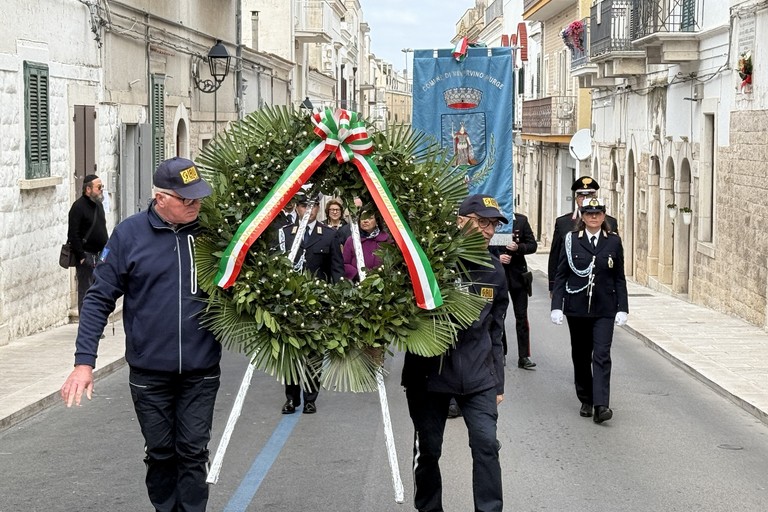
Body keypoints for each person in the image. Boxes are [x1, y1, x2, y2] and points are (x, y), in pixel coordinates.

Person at [60, 157, 221, 512]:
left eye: (198, 198)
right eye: (186, 200)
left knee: (194, 451)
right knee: (161, 453)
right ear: (161, 198)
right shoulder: (130, 235)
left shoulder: (213, 235)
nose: (195, 205)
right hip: (150, 373)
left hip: (201, 369)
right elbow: (99, 298)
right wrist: (84, 362)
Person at [402, 193, 508, 512]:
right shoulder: (433, 261)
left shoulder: (495, 270)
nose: (489, 231)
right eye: (482, 223)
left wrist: (498, 383)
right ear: (461, 221)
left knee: (487, 445)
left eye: (493, 225)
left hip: (478, 378)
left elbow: (496, 329)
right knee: (429, 450)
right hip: (429, 377)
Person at [550, 197, 629, 424]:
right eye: (589, 213)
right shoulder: (571, 240)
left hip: (605, 307)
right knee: (581, 355)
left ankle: (601, 405)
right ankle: (586, 397)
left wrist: (622, 308)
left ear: (604, 216)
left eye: (598, 213)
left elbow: (619, 278)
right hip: (578, 308)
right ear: (582, 217)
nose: (593, 217)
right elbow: (562, 273)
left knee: (602, 355)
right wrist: (557, 305)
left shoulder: (613, 242)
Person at [278, 193, 344, 414]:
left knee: (314, 352)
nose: (308, 209)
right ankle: (291, 398)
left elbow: (336, 269)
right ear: (296, 208)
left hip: (318, 304)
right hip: (290, 303)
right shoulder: (285, 234)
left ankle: (310, 398)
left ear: (318, 208)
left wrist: (336, 298)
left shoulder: (327, 235)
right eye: (303, 205)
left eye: (313, 205)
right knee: (291, 352)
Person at [548, 176, 618, 294]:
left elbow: (616, 256)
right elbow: (555, 256)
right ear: (576, 199)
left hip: (602, 284)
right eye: (581, 196)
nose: (585, 199)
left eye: (589, 196)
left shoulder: (610, 222)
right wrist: (553, 286)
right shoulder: (563, 223)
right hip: (572, 283)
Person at [489, 211, 538, 369]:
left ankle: (524, 356)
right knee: (498, 316)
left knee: (522, 317)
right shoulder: (490, 220)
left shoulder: (521, 220)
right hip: (498, 275)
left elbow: (532, 245)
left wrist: (518, 247)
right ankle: (500, 353)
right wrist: (497, 258)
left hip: (518, 276)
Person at [66, 174, 108, 314]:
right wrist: (82, 257)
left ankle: (96, 325)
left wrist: (107, 253)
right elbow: (73, 234)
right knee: (86, 292)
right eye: (99, 187)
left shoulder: (99, 205)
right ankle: (86, 328)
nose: (101, 189)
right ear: (88, 189)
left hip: (101, 255)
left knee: (100, 291)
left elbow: (103, 229)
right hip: (87, 256)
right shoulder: (78, 207)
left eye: (102, 187)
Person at [342, 204, 390, 281]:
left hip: (382, 283)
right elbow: (344, 263)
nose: (365, 221)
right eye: (362, 218)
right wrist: (357, 274)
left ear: (377, 221)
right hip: (358, 283)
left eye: (370, 218)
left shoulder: (387, 240)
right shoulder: (352, 240)